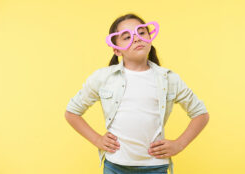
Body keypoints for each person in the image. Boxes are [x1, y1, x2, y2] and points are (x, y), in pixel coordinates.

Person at [65, 13, 210, 174]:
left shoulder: (169, 79)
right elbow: (72, 112)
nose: (136, 38)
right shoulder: (102, 78)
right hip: (115, 166)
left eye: (141, 32)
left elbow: (200, 114)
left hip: (155, 166)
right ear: (116, 50)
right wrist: (97, 140)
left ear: (150, 38)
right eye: (126, 37)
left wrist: (179, 144)